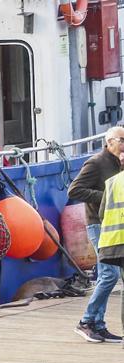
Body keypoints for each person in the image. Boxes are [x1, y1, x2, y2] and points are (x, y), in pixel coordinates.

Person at [69, 126, 124, 343]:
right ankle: (86, 321)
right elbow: (74, 190)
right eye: (121, 140)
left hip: (115, 225)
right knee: (110, 275)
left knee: (106, 274)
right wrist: (105, 197)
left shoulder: (117, 164)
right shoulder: (96, 163)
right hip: (98, 224)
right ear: (109, 141)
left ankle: (98, 325)